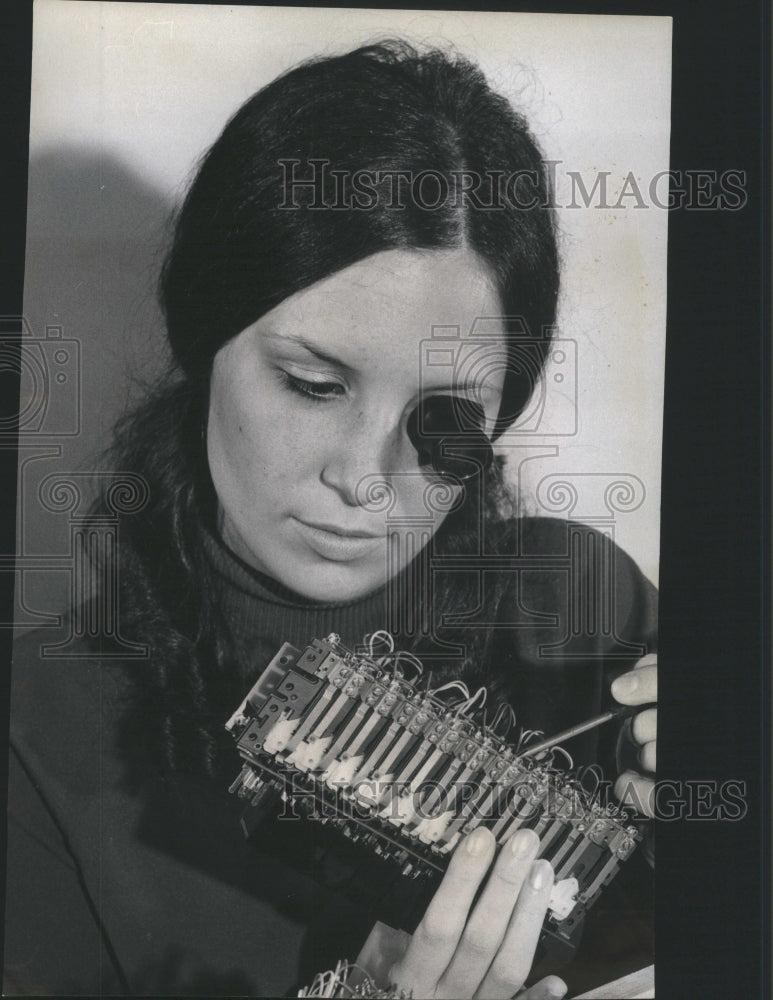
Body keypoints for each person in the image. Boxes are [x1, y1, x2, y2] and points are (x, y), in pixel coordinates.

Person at [4, 41, 658, 997]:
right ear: (207, 338)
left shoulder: (590, 609)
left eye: (444, 420)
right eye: (313, 385)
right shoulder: (37, 722)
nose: (364, 479)